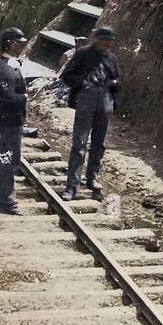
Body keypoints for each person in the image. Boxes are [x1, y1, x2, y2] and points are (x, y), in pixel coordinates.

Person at [58, 27, 120, 201]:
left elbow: (117, 81)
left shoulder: (111, 58)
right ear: (97, 39)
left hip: (105, 101)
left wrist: (113, 95)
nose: (108, 44)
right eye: (105, 40)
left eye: (110, 41)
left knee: (99, 143)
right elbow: (67, 76)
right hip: (86, 100)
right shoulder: (83, 54)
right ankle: (72, 186)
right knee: (79, 143)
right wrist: (84, 84)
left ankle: (92, 178)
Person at [0, 27, 29, 215]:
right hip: (10, 120)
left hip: (11, 119)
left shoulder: (11, 64)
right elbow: (7, 96)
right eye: (19, 44)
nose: (22, 47)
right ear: (10, 44)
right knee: (9, 159)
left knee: (5, 157)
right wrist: (25, 97)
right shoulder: (6, 68)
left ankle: (0, 195)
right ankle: (5, 200)